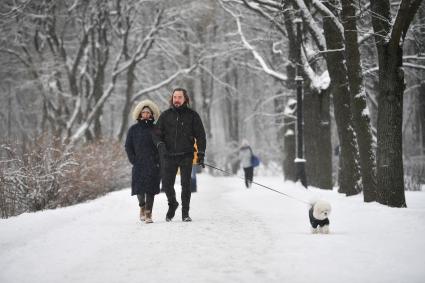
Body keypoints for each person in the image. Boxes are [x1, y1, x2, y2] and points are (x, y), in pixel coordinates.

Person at [155, 88, 206, 222]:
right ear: (172, 99)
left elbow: (201, 135)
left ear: (185, 99)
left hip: (186, 154)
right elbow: (156, 134)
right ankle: (172, 204)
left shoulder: (192, 115)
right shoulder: (165, 116)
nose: (176, 100)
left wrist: (201, 153)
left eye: (179, 97)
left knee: (186, 184)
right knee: (166, 184)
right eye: (175, 97)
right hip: (169, 155)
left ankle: (185, 213)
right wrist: (160, 145)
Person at [125, 100, 161, 224]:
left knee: (150, 189)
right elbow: (128, 146)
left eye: (148, 112)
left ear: (151, 114)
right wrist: (133, 159)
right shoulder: (133, 130)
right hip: (138, 163)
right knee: (139, 190)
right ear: (140, 114)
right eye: (144, 112)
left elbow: (162, 146)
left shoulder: (156, 129)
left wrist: (158, 160)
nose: (146, 114)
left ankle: (149, 213)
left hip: (153, 163)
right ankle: (142, 206)